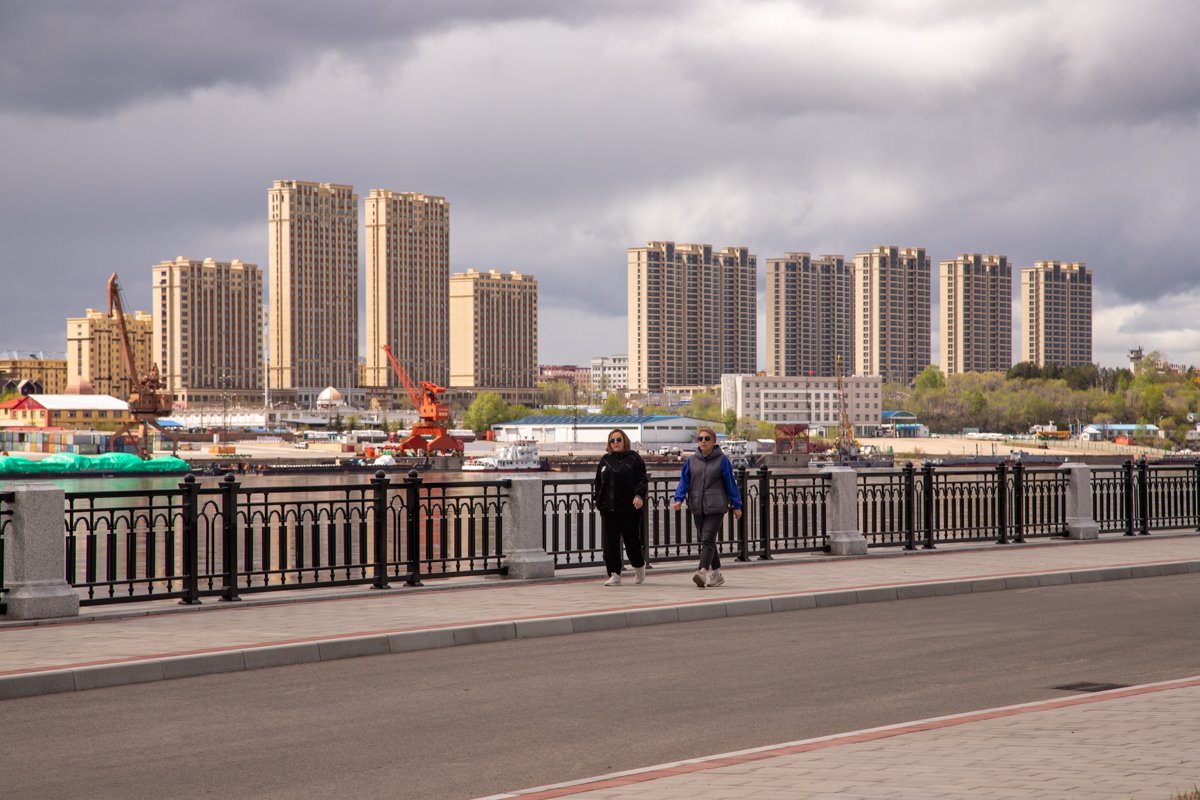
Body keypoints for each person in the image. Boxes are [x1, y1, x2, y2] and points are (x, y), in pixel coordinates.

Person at [672, 426, 742, 588]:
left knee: (708, 539)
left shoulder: (722, 460)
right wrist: (679, 499)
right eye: (700, 439)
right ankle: (717, 574)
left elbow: (730, 484)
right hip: (697, 505)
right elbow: (684, 482)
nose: (703, 441)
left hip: (716, 506)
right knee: (706, 541)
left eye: (707, 439)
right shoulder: (691, 460)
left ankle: (702, 572)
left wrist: (736, 505)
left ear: (714, 442)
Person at [592, 428, 648, 586]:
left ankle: (639, 566)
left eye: (618, 440)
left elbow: (641, 480)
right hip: (608, 509)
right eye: (612, 440)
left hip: (628, 509)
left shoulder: (634, 459)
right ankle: (614, 574)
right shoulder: (605, 460)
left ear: (625, 441)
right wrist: (598, 499)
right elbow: (598, 482)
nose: (615, 443)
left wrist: (639, 496)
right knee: (610, 544)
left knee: (632, 542)